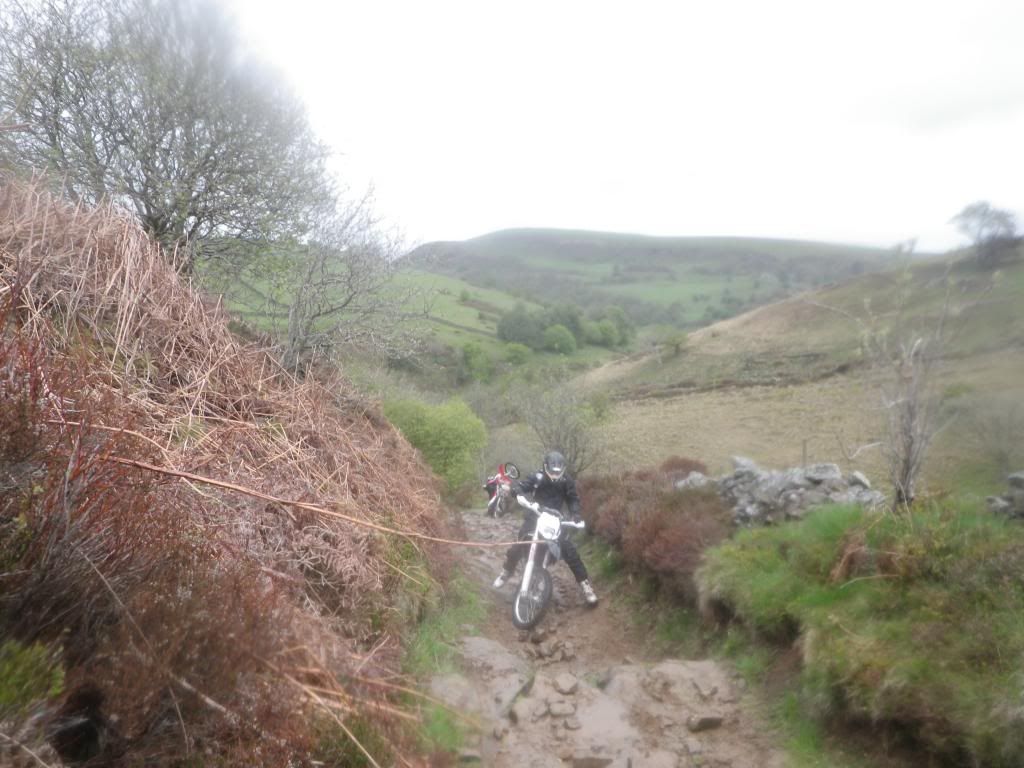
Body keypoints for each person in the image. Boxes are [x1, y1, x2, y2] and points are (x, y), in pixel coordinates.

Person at [492, 450, 598, 605]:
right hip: (535, 516)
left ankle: (585, 585)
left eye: (558, 472)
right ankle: (506, 572)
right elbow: (522, 486)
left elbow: (573, 499)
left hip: (555, 520)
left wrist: (575, 514)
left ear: (562, 469)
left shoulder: (567, 481)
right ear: (545, 467)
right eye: (552, 471)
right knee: (519, 546)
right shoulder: (537, 477)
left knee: (570, 551)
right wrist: (516, 491)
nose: (555, 475)